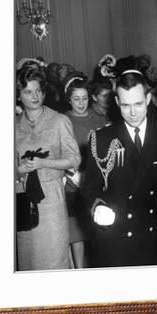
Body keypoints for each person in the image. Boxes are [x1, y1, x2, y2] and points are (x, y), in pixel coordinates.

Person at [82, 70, 157, 267]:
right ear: (117, 102)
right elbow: (90, 189)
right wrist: (98, 207)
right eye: (125, 105)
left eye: (138, 104)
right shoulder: (101, 139)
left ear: (148, 98)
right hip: (116, 241)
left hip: (156, 238)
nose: (132, 112)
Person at [15, 66, 81, 271]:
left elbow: (75, 159)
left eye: (38, 91)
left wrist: (45, 163)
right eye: (28, 92)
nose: (34, 96)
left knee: (54, 258)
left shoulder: (60, 121)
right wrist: (20, 170)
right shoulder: (13, 126)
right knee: (28, 259)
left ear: (44, 92)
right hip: (23, 197)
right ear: (19, 95)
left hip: (52, 197)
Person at [63, 75, 108, 268]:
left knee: (97, 227)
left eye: (84, 98)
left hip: (97, 181)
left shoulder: (99, 119)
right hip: (73, 182)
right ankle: (79, 271)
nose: (81, 103)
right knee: (77, 231)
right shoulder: (64, 120)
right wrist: (71, 175)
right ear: (69, 99)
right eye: (76, 99)